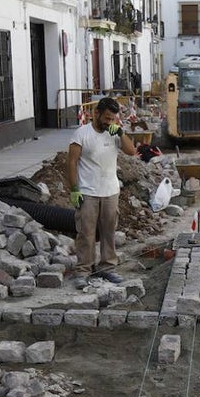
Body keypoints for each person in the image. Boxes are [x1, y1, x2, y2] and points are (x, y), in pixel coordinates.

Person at [67, 97, 137, 288]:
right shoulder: (81, 134)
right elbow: (72, 161)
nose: (109, 122)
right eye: (106, 118)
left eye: (112, 119)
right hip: (88, 191)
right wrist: (74, 189)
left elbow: (131, 152)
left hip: (111, 191)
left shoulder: (114, 133)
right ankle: (83, 270)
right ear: (95, 113)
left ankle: (107, 267)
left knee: (108, 232)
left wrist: (121, 133)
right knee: (86, 232)